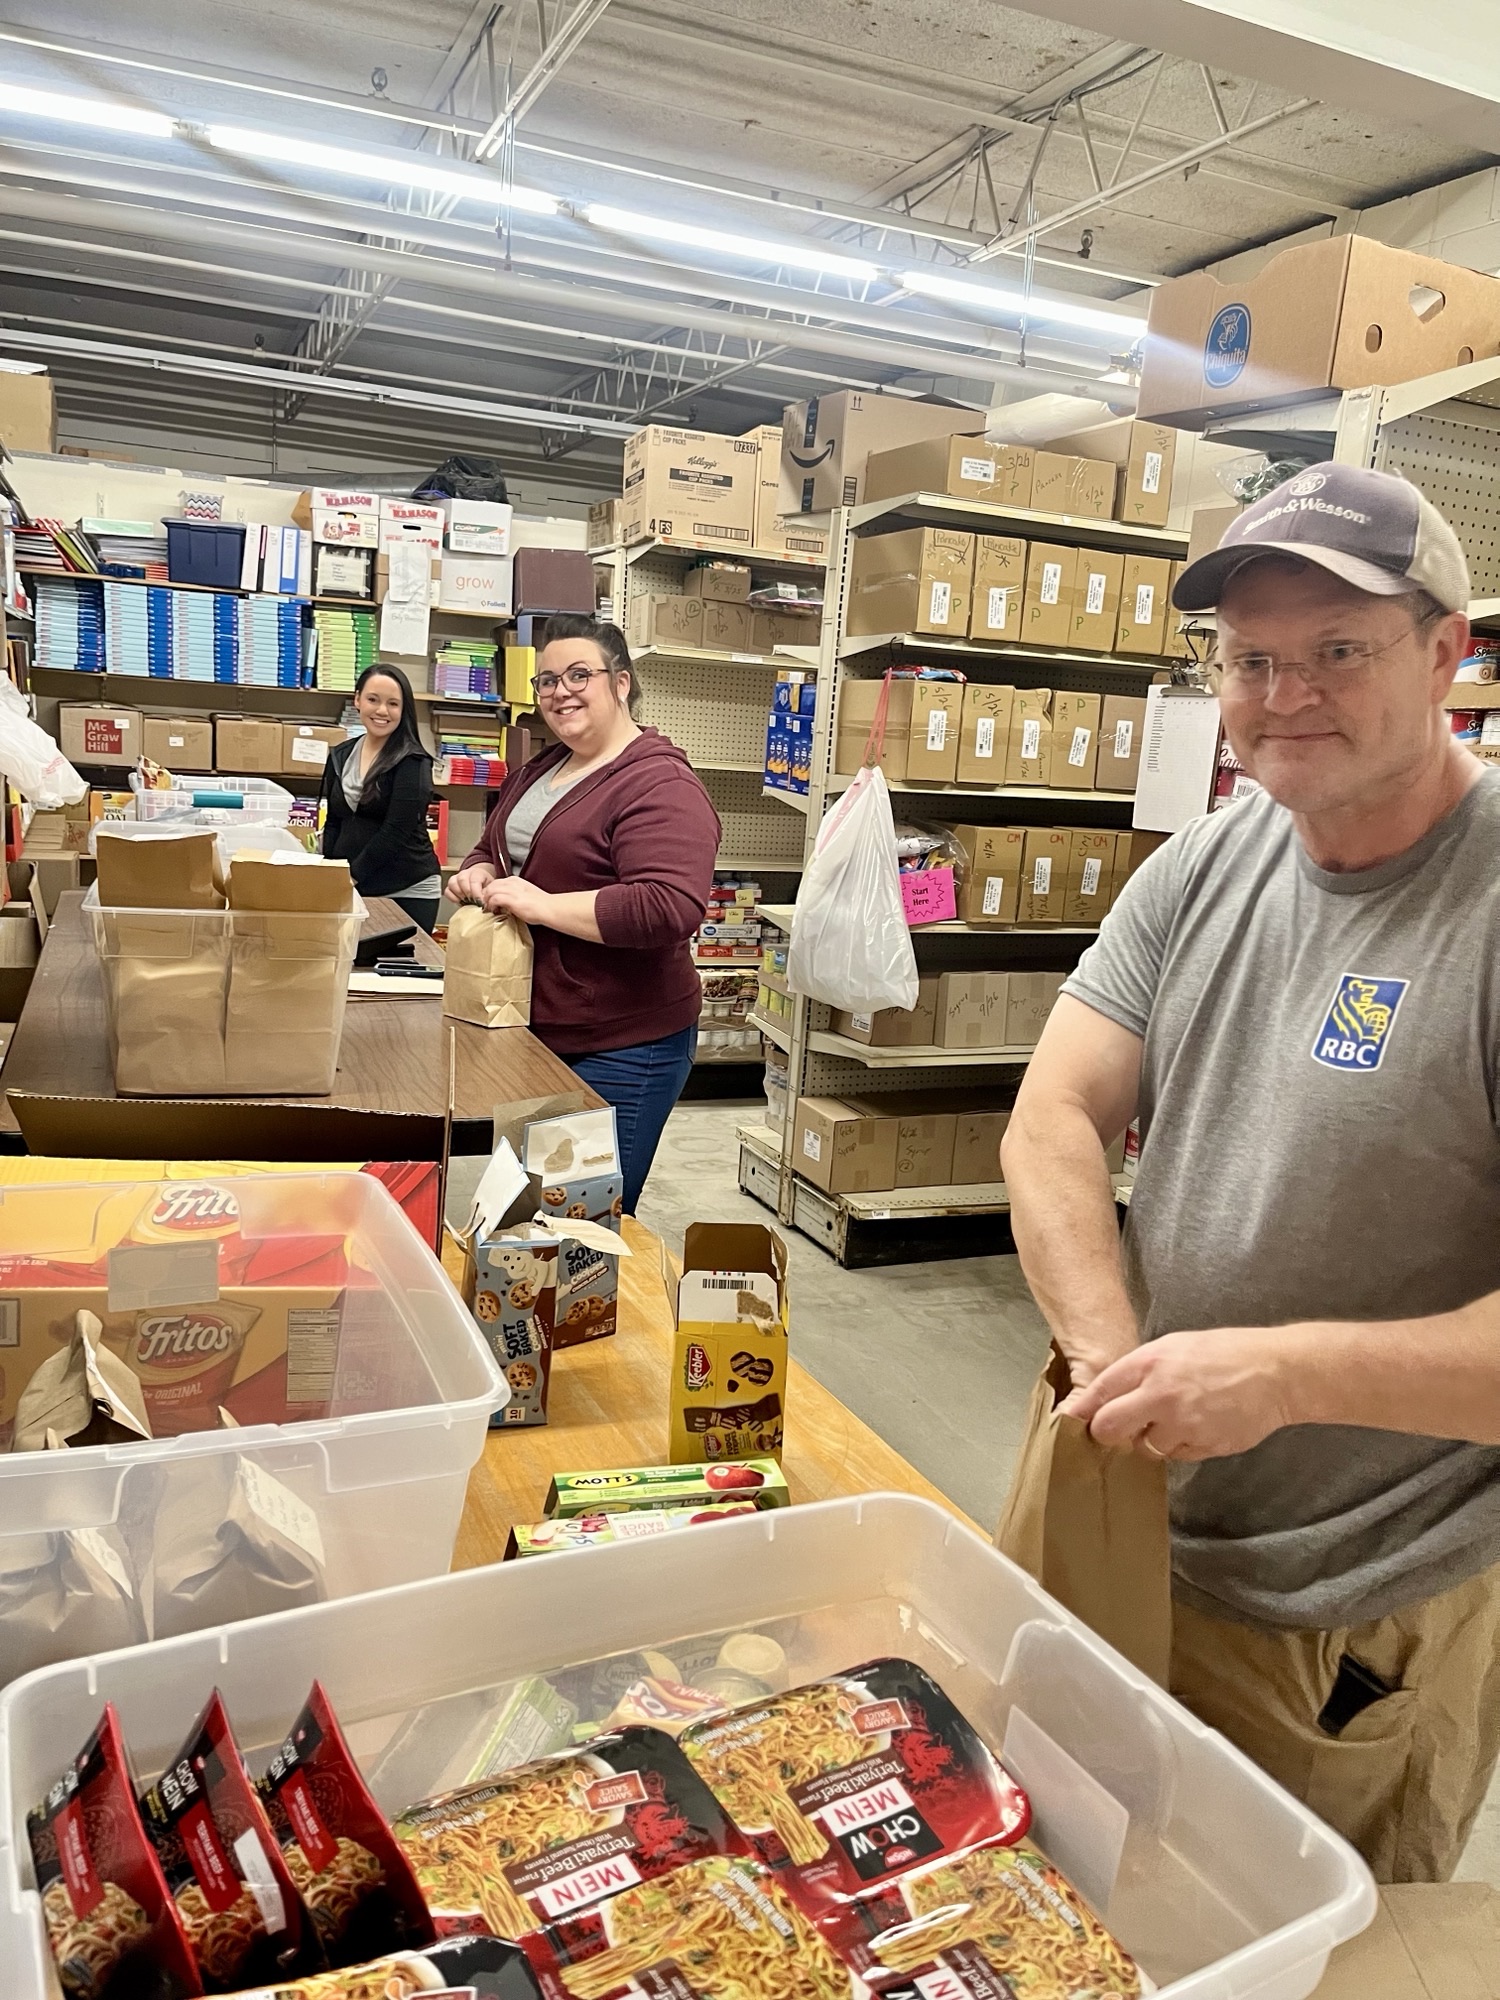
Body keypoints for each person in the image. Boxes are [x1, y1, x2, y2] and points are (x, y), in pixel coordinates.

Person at [1000, 462, 1500, 1884]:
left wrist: (1284, 1375)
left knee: (1292, 1939)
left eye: (1338, 650)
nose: (1286, 696)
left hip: (1349, 1603)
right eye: (1250, 660)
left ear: (1447, 653)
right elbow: (1053, 1117)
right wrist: (1105, 1349)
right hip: (1140, 1517)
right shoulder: (1207, 864)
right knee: (1082, 1891)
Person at [449, 615, 719, 1213]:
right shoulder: (543, 768)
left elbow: (668, 904)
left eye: (578, 675)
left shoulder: (659, 783)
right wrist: (480, 869)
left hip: (623, 1042)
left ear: (620, 683)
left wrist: (542, 905)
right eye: (547, 680)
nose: (560, 692)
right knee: (526, 1218)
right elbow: (495, 845)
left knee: (575, 1230)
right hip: (536, 1029)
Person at [319, 664, 441, 931]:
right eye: (373, 699)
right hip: (354, 887)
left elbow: (396, 831)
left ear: (403, 709)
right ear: (357, 700)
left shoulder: (412, 761)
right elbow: (334, 821)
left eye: (393, 703)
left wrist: (350, 877)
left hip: (406, 891)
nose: (382, 711)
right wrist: (329, 874)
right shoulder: (340, 755)